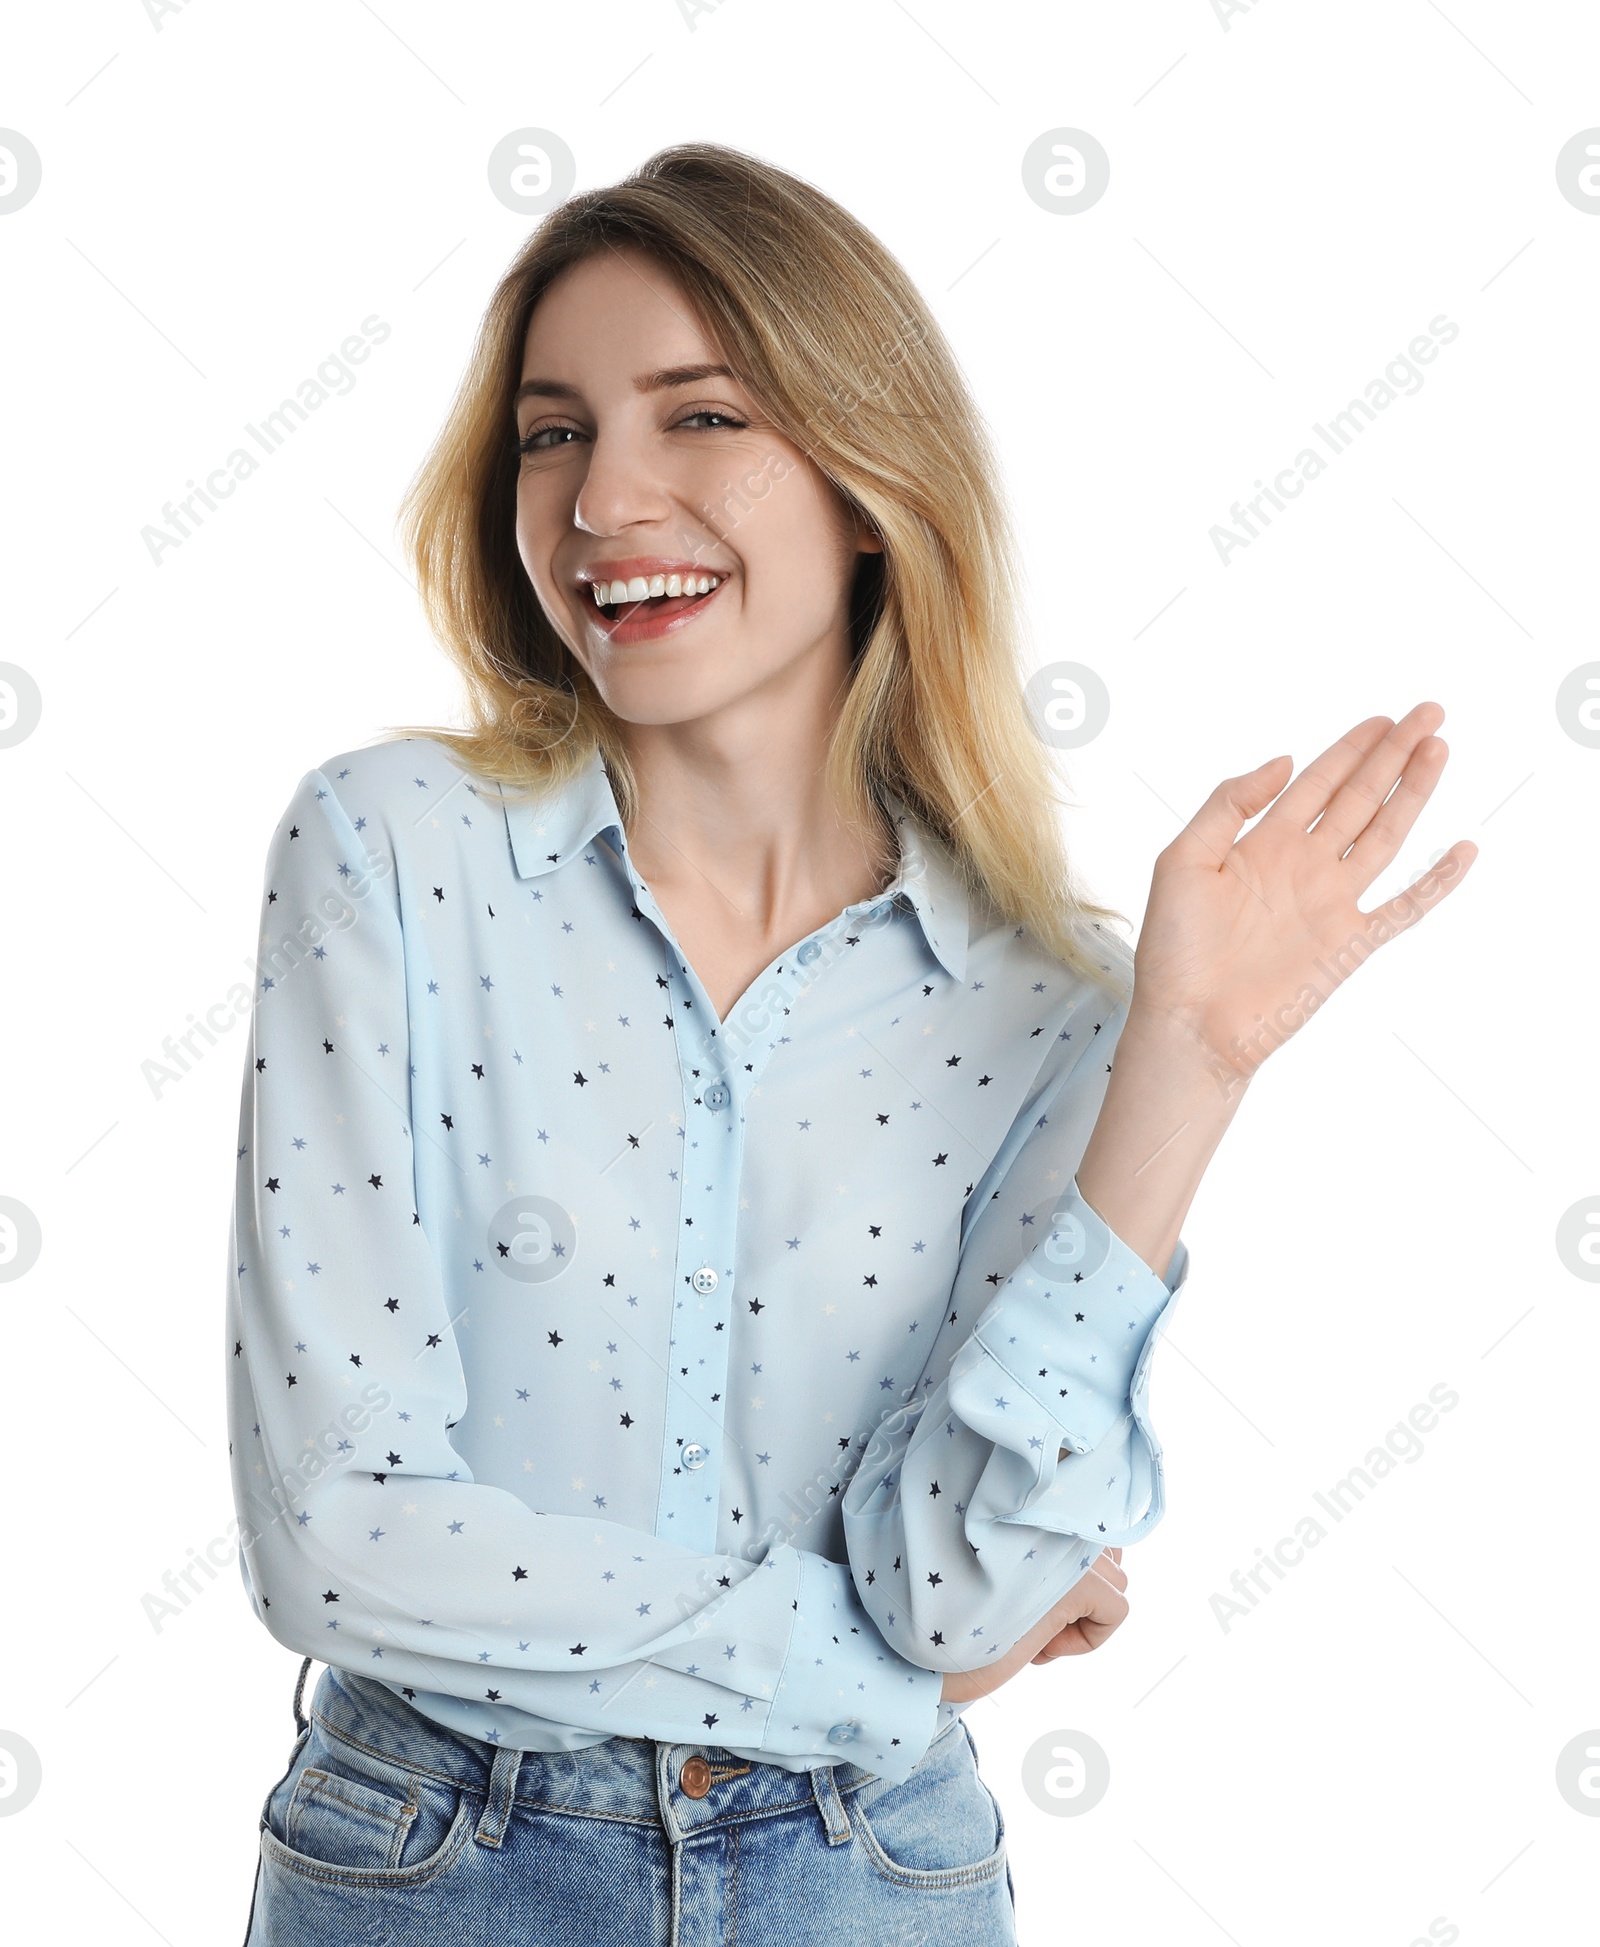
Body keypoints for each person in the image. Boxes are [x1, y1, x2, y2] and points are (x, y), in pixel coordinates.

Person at [228, 142, 1473, 1946]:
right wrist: (862, 1661)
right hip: (438, 1859)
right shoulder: (389, 852)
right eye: (554, 432)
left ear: (869, 482)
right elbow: (340, 1526)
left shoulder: (1050, 1003)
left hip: (865, 1876)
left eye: (703, 417)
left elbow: (956, 1589)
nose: (602, 501)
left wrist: (1188, 1061)